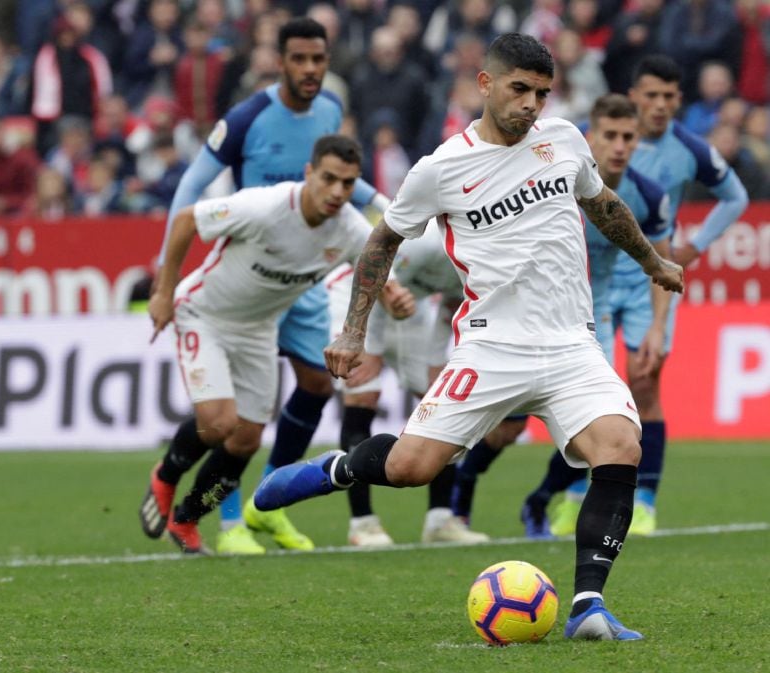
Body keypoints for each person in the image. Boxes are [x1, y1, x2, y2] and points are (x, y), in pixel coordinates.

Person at [254, 34, 683, 641]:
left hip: (570, 344)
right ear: (485, 84)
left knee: (620, 446)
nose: (531, 103)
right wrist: (352, 330)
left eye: (541, 93)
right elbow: (382, 241)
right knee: (410, 467)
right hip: (491, 347)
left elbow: (603, 204)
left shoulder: (564, 140)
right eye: (519, 89)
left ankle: (589, 605)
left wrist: (652, 262)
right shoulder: (441, 168)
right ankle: (340, 468)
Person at [147, 17, 392, 556]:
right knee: (227, 419)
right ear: (279, 62)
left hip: (302, 273)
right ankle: (229, 521)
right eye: (299, 59)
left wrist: (381, 203)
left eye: (318, 59)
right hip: (254, 259)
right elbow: (191, 186)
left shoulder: (330, 110)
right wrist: (165, 275)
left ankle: (268, 501)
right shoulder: (247, 117)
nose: (309, 69)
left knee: (316, 383)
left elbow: (341, 177)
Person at [449, 93, 673, 539]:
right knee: (507, 428)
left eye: (628, 137)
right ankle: (460, 498)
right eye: (610, 135)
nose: (619, 147)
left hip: (590, 315)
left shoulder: (647, 196)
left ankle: (542, 499)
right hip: (532, 311)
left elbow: (661, 262)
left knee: (601, 420)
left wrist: (657, 326)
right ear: (591, 136)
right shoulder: (553, 177)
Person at [548, 55, 750, 537]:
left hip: (647, 279)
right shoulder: (592, 138)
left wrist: (694, 247)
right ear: (634, 97)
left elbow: (736, 198)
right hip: (591, 283)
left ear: (679, 100)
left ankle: (645, 503)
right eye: (652, 95)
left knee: (644, 386)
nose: (660, 105)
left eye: (669, 97)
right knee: (585, 395)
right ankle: (574, 496)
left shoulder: (690, 149)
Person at [324, 225, 490, 546]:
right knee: (363, 393)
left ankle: (440, 521)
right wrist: (366, 342)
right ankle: (363, 524)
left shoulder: (487, 260)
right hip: (360, 301)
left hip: (413, 311)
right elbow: (374, 268)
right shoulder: (428, 243)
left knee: (443, 399)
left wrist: (437, 362)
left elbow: (452, 307)